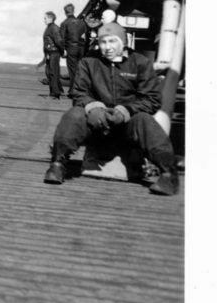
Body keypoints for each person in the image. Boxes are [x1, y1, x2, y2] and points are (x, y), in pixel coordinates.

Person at [43, 21, 179, 196]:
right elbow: (78, 93)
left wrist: (126, 111)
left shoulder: (140, 63)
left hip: (127, 128)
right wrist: (93, 107)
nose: (107, 47)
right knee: (74, 115)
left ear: (122, 42)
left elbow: (152, 99)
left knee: (145, 121)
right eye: (103, 42)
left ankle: (169, 173)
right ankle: (57, 164)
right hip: (96, 125)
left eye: (112, 41)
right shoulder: (88, 62)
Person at [59, 3, 88, 99]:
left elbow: (62, 39)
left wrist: (63, 51)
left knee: (72, 71)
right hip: (81, 49)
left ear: (65, 12)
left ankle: (72, 91)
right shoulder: (82, 23)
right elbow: (85, 37)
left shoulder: (64, 23)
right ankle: (80, 90)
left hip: (71, 49)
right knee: (80, 70)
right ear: (73, 10)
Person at [42, 11, 63, 98]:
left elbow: (59, 41)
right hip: (50, 53)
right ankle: (55, 91)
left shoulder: (53, 28)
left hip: (54, 53)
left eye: (45, 18)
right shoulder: (50, 27)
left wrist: (62, 51)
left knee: (53, 72)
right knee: (50, 72)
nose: (44, 20)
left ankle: (55, 93)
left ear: (50, 18)